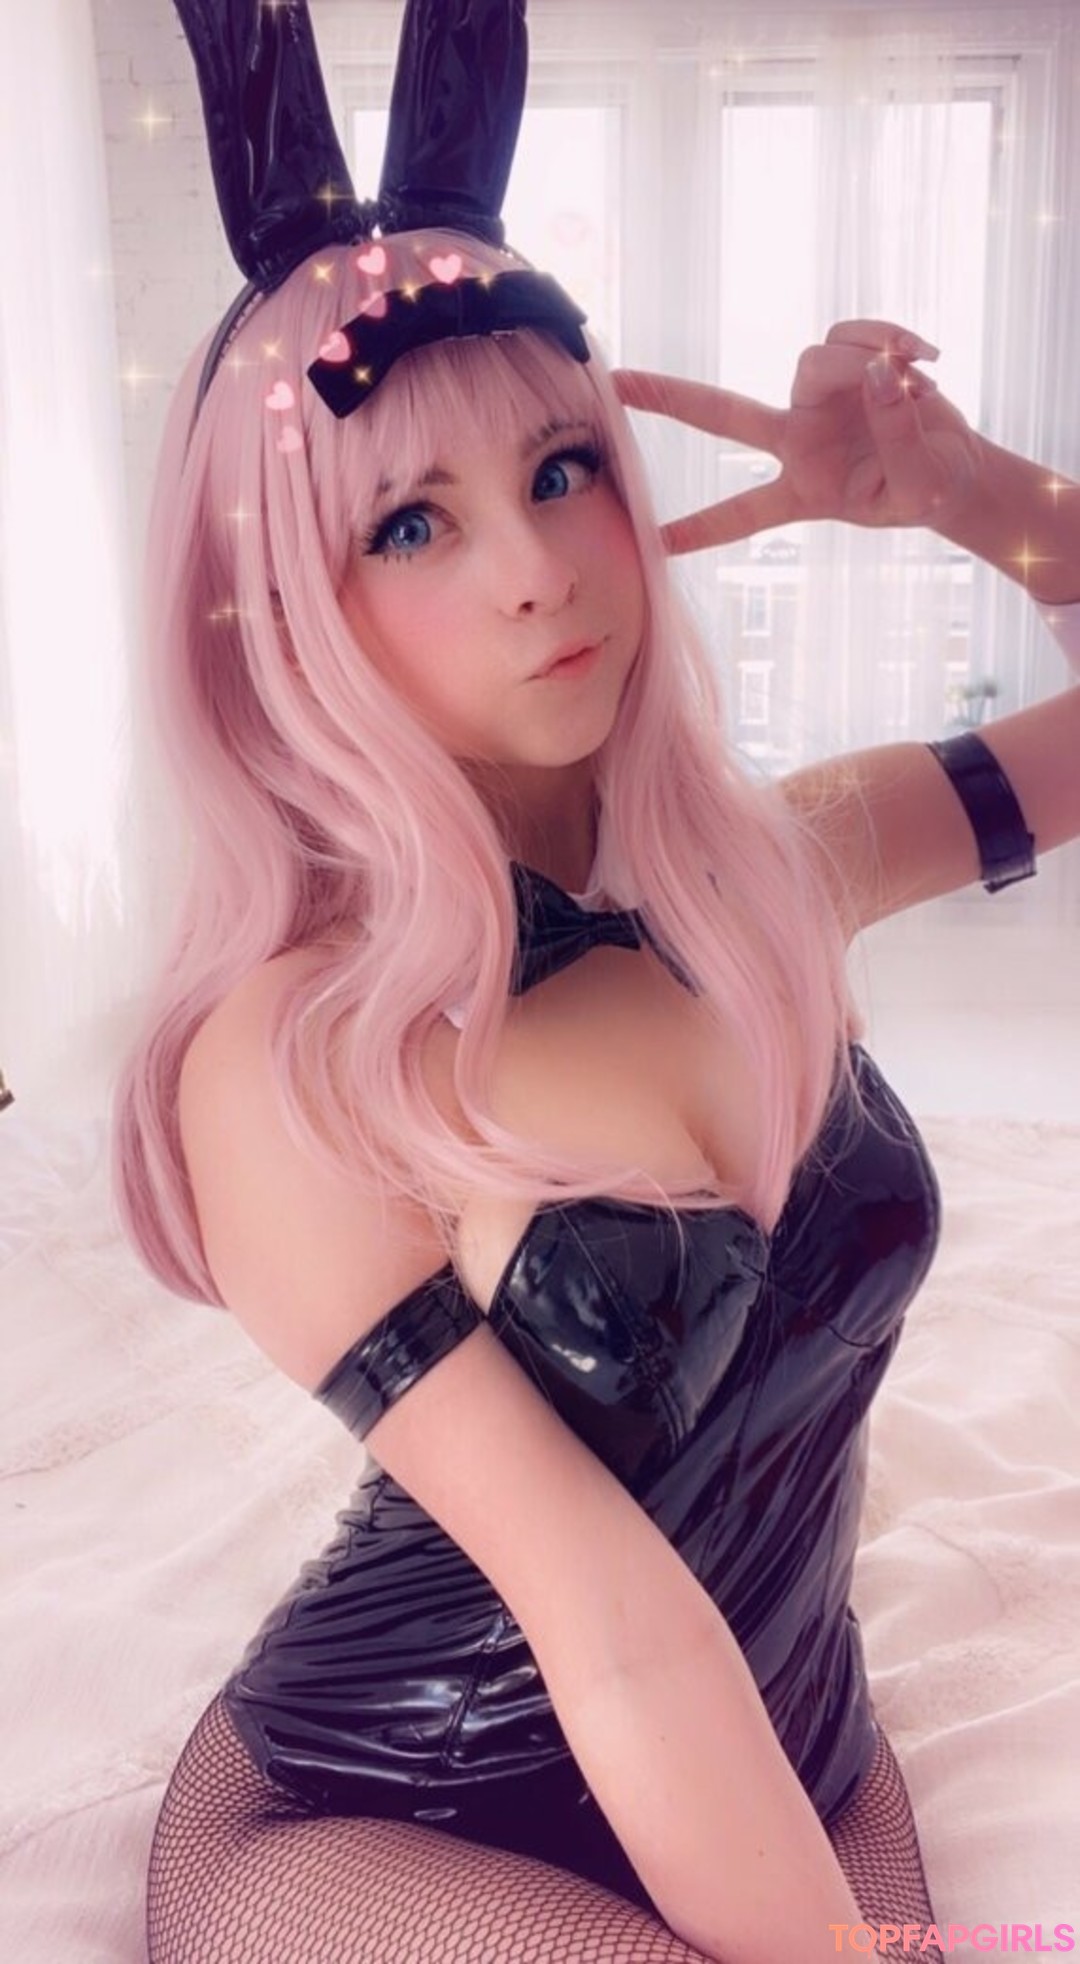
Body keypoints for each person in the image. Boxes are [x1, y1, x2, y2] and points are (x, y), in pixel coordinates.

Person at [115, 5, 1080, 1961]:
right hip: (374, 1812)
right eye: (413, 522)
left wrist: (982, 500)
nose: (539, 568)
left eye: (563, 470)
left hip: (789, 1749)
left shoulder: (778, 870)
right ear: (287, 603)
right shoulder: (293, 1056)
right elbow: (605, 1615)